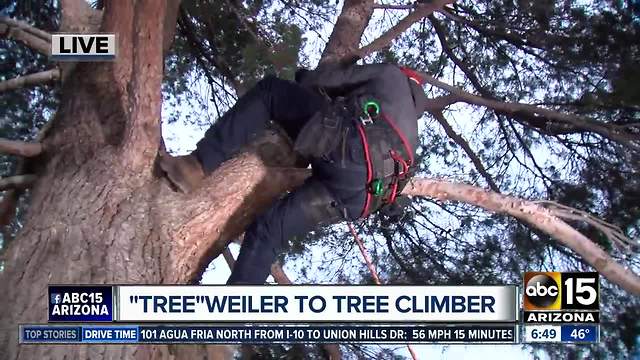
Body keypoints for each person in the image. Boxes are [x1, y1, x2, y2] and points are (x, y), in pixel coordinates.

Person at [160, 62, 428, 284]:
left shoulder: (391, 74)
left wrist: (306, 78)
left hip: (344, 147)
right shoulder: (412, 133)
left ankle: (196, 165)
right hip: (360, 199)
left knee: (271, 92)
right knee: (269, 230)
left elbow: (329, 79)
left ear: (407, 77)